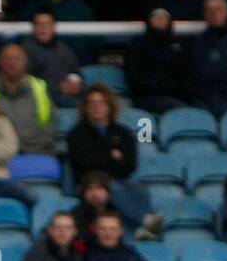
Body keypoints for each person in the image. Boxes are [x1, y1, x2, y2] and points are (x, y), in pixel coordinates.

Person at [66, 84, 161, 239]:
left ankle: (143, 230)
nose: (97, 107)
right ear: (86, 108)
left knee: (138, 189)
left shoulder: (123, 132)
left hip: (120, 178)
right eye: (92, 103)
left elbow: (130, 165)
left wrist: (101, 156)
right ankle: (146, 221)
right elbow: (83, 163)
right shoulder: (76, 135)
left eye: (101, 103)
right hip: (89, 183)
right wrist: (112, 156)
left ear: (109, 106)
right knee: (112, 188)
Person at [0, 44, 55, 157]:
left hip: (36, 153)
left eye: (16, 58)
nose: (12, 63)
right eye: (7, 59)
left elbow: (51, 123)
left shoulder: (39, 87)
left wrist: (36, 149)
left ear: (25, 62)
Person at [124, 8, 191, 113]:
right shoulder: (138, 45)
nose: (160, 20)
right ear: (149, 20)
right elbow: (134, 76)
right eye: (156, 17)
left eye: (164, 17)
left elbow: (184, 76)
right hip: (147, 97)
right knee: (184, 112)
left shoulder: (178, 46)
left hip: (175, 97)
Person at [22, 10, 83, 108]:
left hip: (68, 97)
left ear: (54, 27)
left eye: (47, 24)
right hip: (39, 100)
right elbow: (26, 82)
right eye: (39, 24)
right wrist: (58, 87)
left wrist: (77, 85)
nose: (43, 28)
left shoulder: (64, 49)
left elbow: (76, 72)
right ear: (34, 28)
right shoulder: (25, 51)